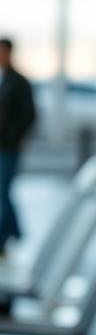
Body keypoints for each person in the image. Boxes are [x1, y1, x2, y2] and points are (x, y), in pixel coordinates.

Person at [0, 37, 36, 258]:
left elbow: (29, 115)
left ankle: (8, 233)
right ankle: (14, 231)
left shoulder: (19, 82)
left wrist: (14, 137)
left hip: (9, 146)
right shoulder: (5, 80)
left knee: (4, 191)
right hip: (2, 145)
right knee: (3, 191)